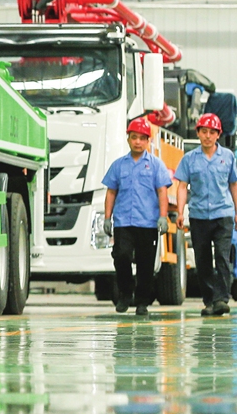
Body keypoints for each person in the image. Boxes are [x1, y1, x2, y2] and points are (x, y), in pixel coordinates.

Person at [101, 117, 173, 316]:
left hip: (148, 223)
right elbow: (111, 192)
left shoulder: (156, 165)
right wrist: (107, 217)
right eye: (134, 137)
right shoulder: (119, 165)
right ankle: (125, 293)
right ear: (128, 139)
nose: (138, 142)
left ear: (148, 140)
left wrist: (163, 216)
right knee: (121, 256)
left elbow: (162, 192)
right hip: (123, 222)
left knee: (145, 264)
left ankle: (142, 302)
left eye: (142, 138)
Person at [175, 113, 237, 317]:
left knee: (222, 256)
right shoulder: (189, 159)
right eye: (204, 132)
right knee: (202, 260)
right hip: (199, 215)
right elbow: (182, 186)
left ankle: (221, 299)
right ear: (198, 133)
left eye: (212, 132)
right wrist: (180, 212)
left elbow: (234, 184)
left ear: (218, 134)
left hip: (223, 214)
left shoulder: (228, 157)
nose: (208, 136)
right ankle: (209, 301)